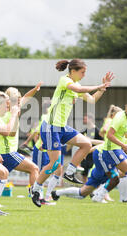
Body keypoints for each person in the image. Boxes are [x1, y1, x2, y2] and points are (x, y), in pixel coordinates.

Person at [31, 59, 114, 207]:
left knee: (86, 144)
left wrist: (102, 88)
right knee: (54, 163)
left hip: (61, 127)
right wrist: (98, 85)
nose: (83, 75)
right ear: (73, 71)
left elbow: (92, 100)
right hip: (51, 127)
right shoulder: (65, 80)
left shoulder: (78, 85)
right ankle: (36, 189)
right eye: (82, 72)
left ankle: (70, 172)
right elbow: (78, 90)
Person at [91, 94, 127, 205]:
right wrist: (123, 145)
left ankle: (98, 195)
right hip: (111, 150)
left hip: (115, 149)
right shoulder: (120, 117)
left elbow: (124, 134)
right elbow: (109, 135)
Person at [80, 113, 103, 183]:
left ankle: (93, 188)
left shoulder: (97, 131)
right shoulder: (84, 131)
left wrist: (91, 140)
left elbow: (103, 142)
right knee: (84, 174)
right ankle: (84, 189)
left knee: (93, 173)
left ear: (91, 119)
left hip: (94, 155)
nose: (84, 120)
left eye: (85, 118)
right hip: (85, 155)